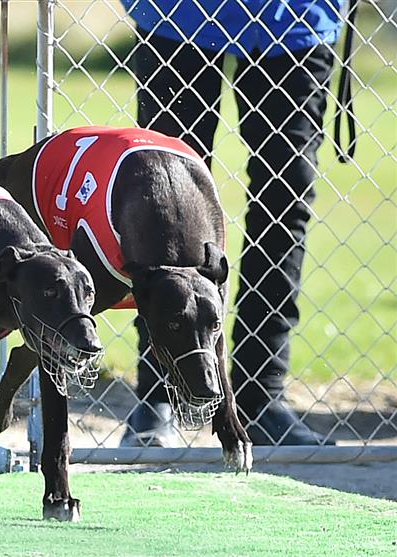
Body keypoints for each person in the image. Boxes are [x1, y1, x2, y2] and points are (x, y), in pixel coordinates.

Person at [121, 0, 346, 446]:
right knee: (167, 203)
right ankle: (162, 391)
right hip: (178, 12)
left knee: (286, 199)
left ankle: (260, 396)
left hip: (295, 16)